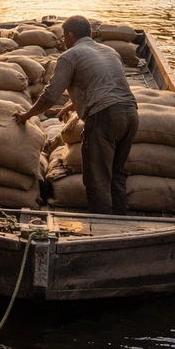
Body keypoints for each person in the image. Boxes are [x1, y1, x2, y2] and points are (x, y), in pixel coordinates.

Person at [14, 15, 138, 215]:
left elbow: (50, 96)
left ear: (70, 35)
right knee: (116, 174)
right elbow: (106, 86)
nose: (63, 41)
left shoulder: (70, 56)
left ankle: (102, 231)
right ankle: (122, 225)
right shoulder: (111, 51)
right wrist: (72, 106)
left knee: (97, 179)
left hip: (104, 118)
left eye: (64, 36)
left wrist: (27, 115)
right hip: (131, 114)